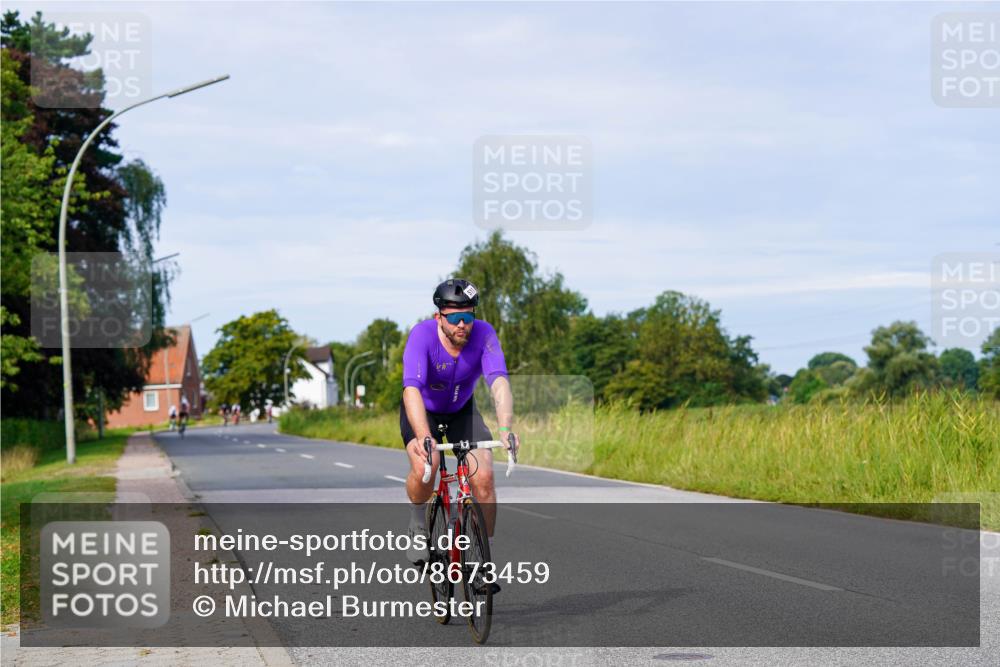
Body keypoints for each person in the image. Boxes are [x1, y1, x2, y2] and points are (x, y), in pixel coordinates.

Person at [401, 278, 519, 584]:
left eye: (469, 316)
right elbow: (411, 389)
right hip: (423, 411)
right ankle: (417, 525)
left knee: (484, 475)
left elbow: (499, 383)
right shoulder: (421, 336)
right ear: (439, 316)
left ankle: (482, 557)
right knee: (429, 465)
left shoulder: (485, 334)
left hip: (462, 411)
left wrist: (505, 428)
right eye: (455, 318)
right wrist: (423, 435)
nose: (463, 325)